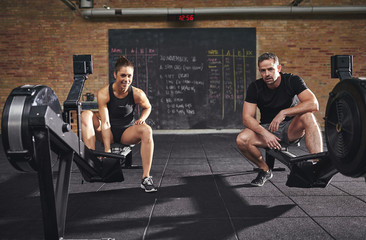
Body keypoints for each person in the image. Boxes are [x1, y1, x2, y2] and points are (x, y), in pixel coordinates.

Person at [236, 52, 323, 187]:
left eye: (270, 69)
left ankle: (317, 165)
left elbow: (313, 104)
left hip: (290, 127)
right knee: (242, 139)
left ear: (279, 68)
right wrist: (266, 134)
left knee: (308, 115)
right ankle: (265, 169)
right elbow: (247, 118)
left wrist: (284, 112)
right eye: (263, 71)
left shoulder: (292, 80)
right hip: (266, 128)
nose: (267, 74)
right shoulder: (255, 87)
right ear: (260, 71)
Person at [81, 56, 157, 193]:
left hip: (126, 133)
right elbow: (105, 122)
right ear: (115, 75)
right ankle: (91, 161)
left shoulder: (137, 93)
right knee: (85, 114)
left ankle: (146, 178)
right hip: (106, 131)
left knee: (147, 130)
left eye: (129, 76)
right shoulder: (104, 93)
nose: (126, 79)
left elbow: (148, 107)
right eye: (123, 75)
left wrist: (142, 119)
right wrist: (107, 150)